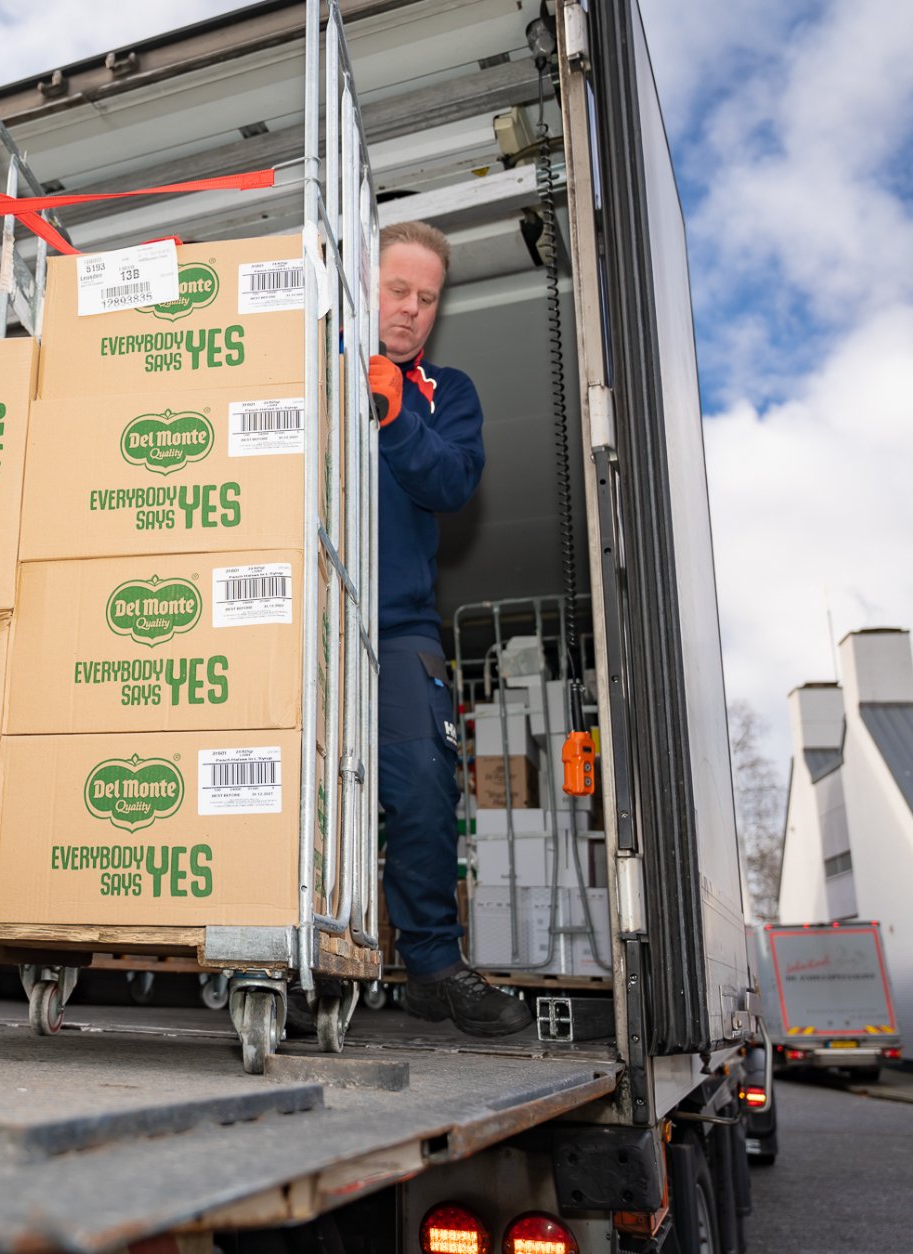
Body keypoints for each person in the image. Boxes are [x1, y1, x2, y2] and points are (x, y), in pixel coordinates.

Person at [366, 220, 532, 1036]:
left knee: (425, 790)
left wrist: (394, 415)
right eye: (398, 290)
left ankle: (432, 966)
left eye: (427, 299)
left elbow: (454, 481)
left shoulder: (447, 392)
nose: (411, 310)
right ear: (364, 282)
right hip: (293, 615)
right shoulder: (300, 360)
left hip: (397, 626)